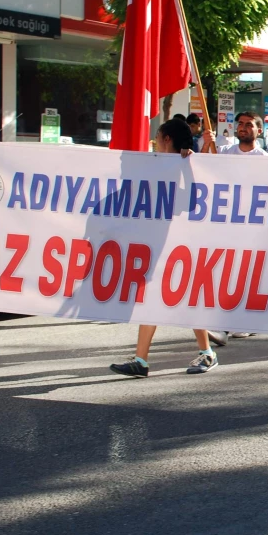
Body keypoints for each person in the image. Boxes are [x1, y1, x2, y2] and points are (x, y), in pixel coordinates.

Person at [110, 119, 221, 377]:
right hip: (160, 244)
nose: (154, 142)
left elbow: (196, 198)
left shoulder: (188, 164)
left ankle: (207, 353)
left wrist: (196, 157)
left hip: (184, 245)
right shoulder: (156, 165)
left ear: (167, 139)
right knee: (152, 299)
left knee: (187, 298)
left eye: (157, 137)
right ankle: (141, 359)